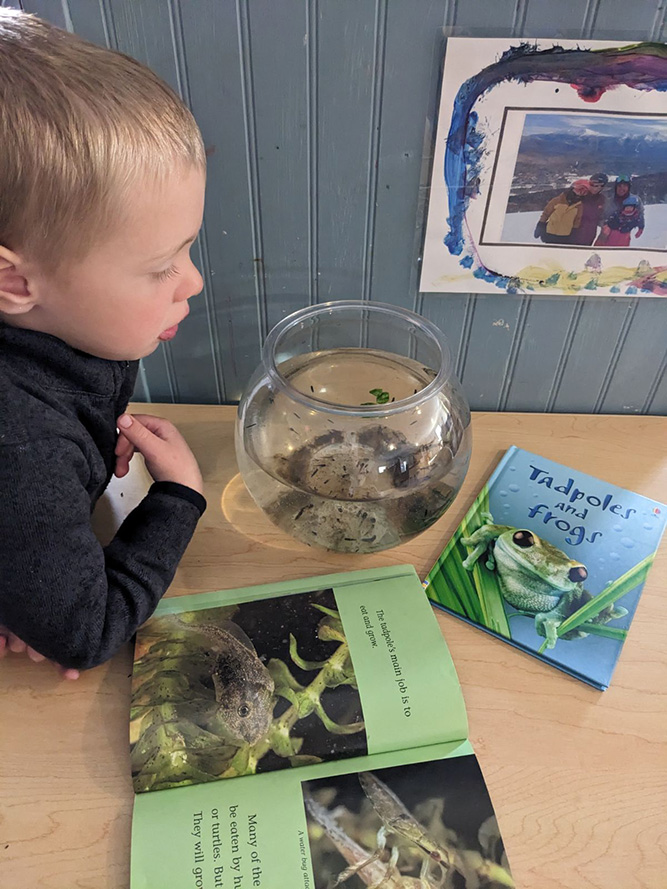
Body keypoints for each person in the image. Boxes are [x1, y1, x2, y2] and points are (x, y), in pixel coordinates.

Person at [0, 10, 209, 677]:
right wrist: (177, 498)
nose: (193, 282)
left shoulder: (56, 335)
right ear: (13, 280)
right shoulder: (21, 449)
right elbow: (88, 635)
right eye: (159, 268)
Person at [534, 180, 590, 244]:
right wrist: (540, 224)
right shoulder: (558, 200)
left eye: (585, 192)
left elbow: (577, 220)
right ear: (573, 188)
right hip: (549, 234)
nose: (581, 192)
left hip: (565, 237)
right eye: (579, 189)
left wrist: (574, 233)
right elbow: (546, 213)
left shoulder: (579, 206)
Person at [568, 172, 608, 245]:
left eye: (601, 186)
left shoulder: (602, 200)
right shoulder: (580, 194)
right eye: (594, 184)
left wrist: (605, 228)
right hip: (571, 235)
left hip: (588, 237)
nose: (597, 188)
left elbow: (601, 217)